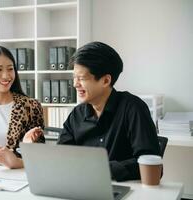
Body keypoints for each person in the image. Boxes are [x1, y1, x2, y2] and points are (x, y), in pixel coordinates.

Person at [57, 41, 161, 181]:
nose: (75, 84)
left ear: (105, 80)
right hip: (81, 187)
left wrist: (101, 169)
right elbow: (61, 156)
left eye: (81, 78)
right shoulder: (77, 114)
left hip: (124, 189)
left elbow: (150, 163)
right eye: (74, 78)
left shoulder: (133, 109)